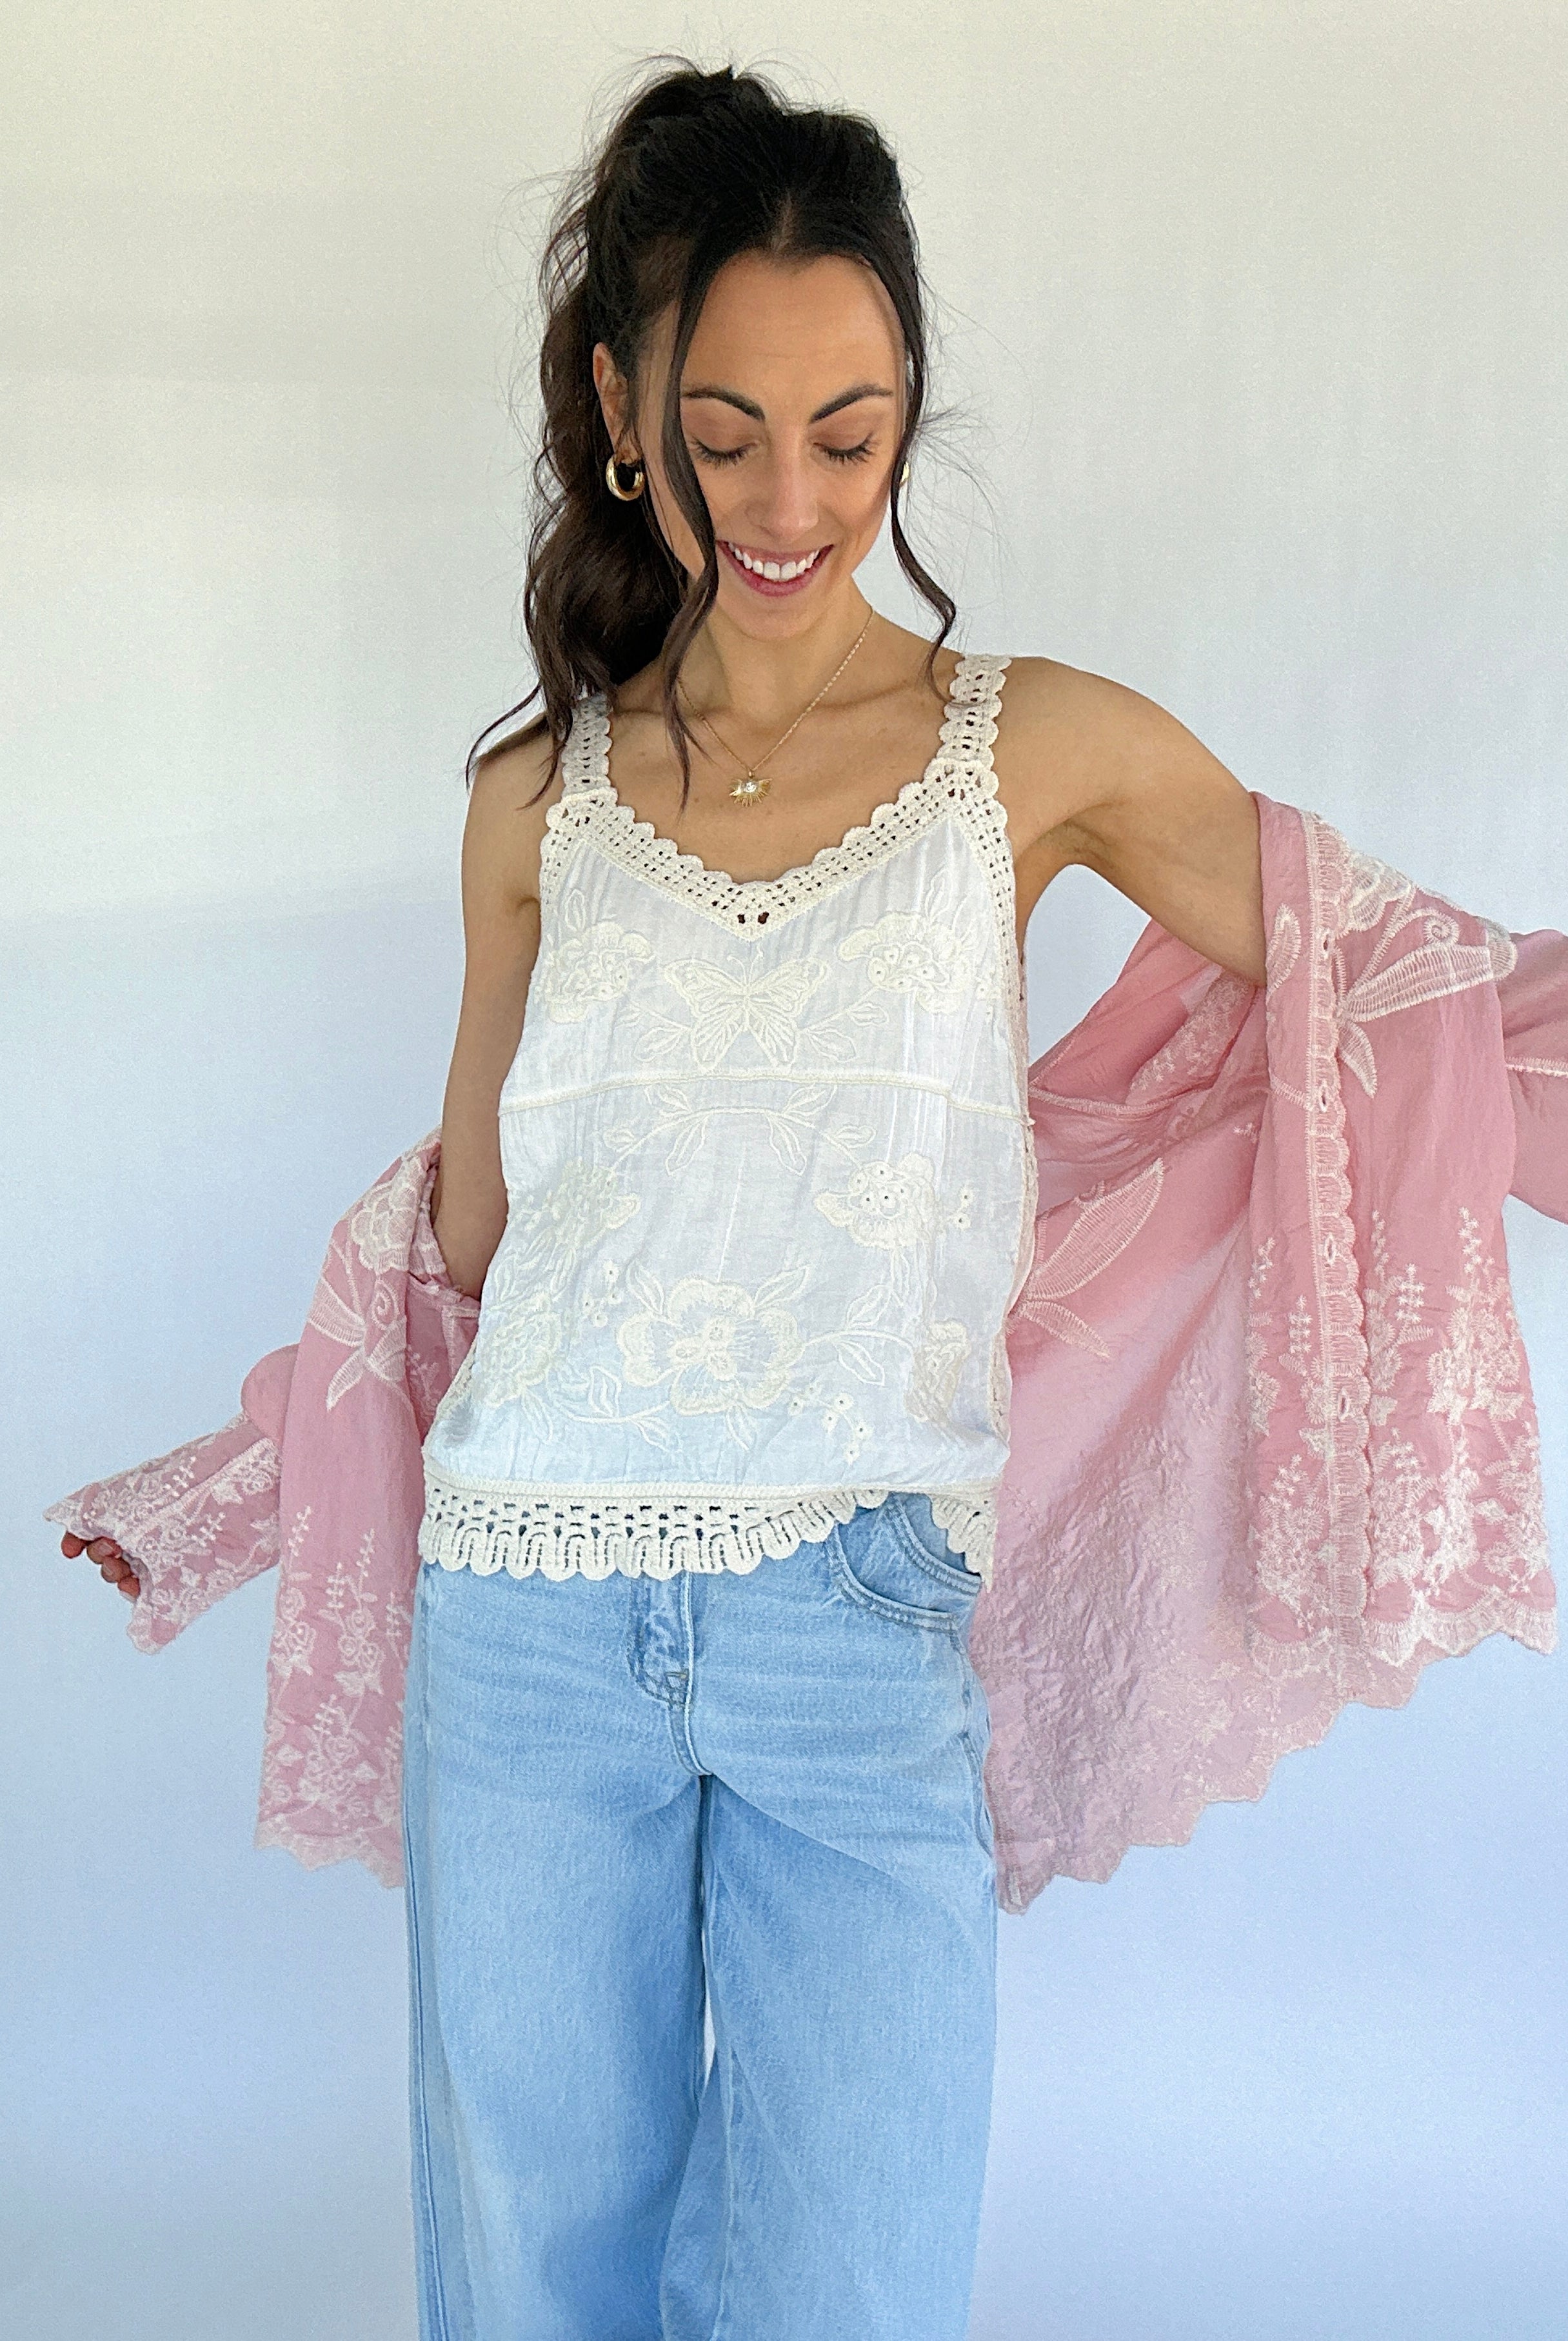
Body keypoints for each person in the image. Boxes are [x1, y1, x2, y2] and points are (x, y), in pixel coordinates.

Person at [57, 57, 1559, 2341]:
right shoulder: (530, 803)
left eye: (851, 435)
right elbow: (473, 1248)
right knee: (529, 2286)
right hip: (529, 1617)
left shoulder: (1033, 751)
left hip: (855, 1622)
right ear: (620, 407)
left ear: (907, 416)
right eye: (730, 428)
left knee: (848, 2289)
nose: (790, 498)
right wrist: (261, 1460)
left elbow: (1387, 971)